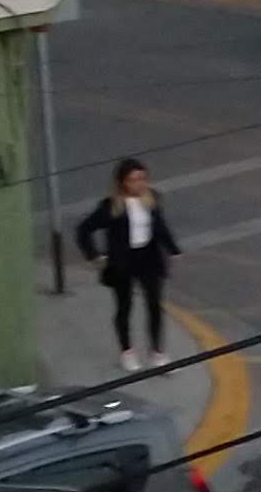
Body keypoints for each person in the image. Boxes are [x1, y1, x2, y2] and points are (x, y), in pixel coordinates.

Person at [76, 159, 186, 372]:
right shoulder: (111, 207)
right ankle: (127, 352)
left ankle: (158, 353)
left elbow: (160, 227)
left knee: (154, 305)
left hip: (148, 258)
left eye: (142, 178)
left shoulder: (152, 199)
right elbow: (84, 230)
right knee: (124, 307)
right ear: (122, 182)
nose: (139, 184)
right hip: (124, 260)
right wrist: (94, 256)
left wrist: (173, 248)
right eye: (133, 180)